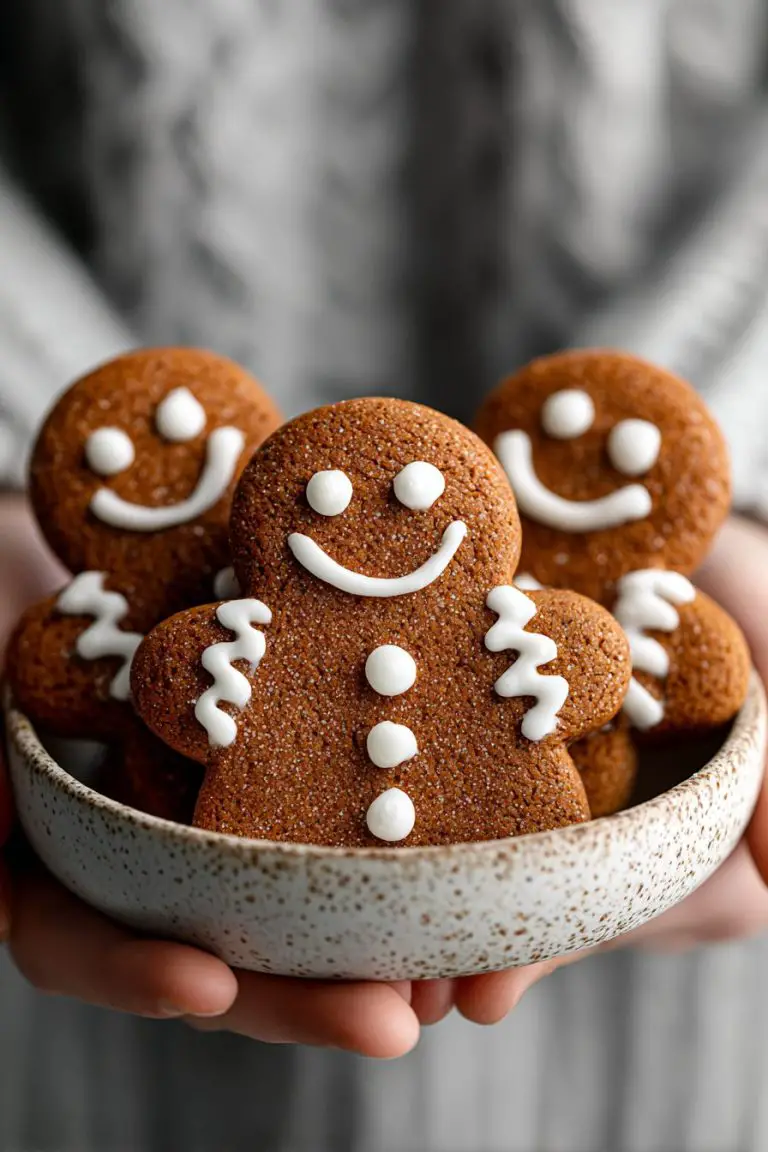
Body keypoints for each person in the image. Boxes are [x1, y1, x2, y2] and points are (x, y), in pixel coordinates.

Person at [2, 3, 768, 1149]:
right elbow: (165, 686)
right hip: (112, 938)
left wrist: (740, 427)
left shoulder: (520, 629)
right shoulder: (235, 631)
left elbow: (595, 660)